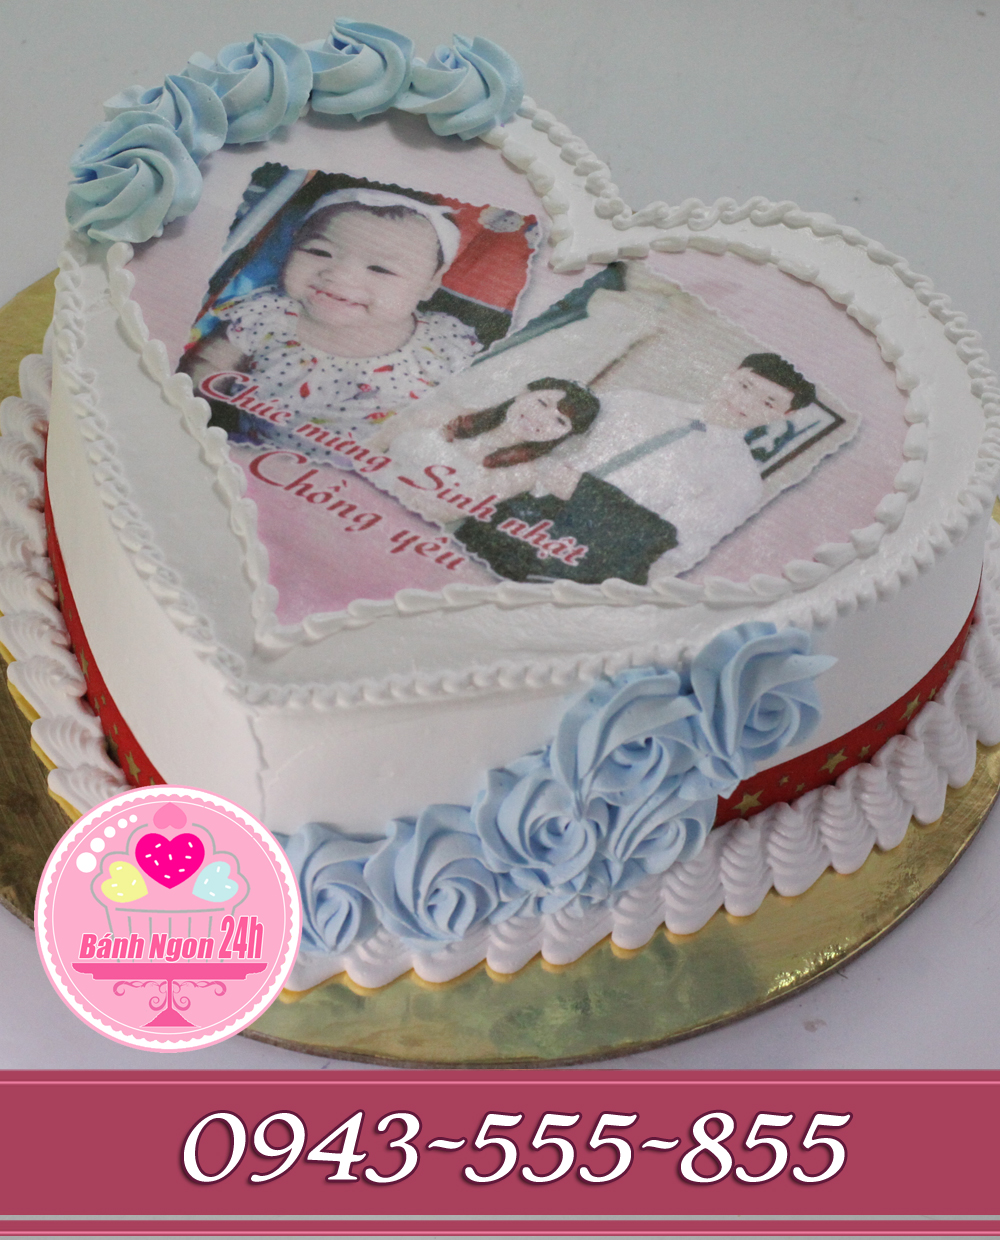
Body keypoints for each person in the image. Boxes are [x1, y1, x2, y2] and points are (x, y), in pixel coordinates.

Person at [178, 188, 482, 451]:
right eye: (320, 251)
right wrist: (191, 404)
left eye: (380, 269)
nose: (339, 275)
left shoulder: (444, 341)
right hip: (254, 460)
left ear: (430, 283)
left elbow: (472, 405)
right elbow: (210, 364)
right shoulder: (266, 315)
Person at [574, 352, 816, 577]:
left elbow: (673, 548)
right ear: (731, 373)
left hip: (586, 558)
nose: (744, 402)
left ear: (786, 415)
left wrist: (584, 496)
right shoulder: (634, 402)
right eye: (744, 386)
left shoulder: (741, 483)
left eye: (768, 403)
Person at [379, 377, 601, 526]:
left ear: (566, 434)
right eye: (542, 403)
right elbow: (373, 441)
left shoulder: (522, 473)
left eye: (560, 421)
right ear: (523, 394)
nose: (541, 418)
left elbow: (440, 511)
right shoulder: (448, 413)